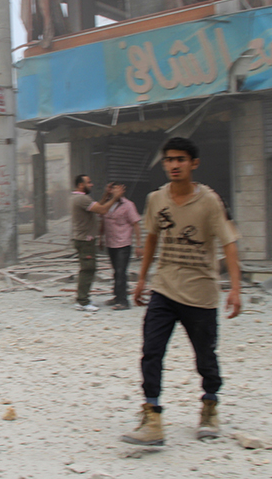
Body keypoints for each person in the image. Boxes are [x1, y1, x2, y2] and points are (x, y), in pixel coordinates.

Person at [122, 137, 241, 446]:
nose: (174, 165)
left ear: (193, 164)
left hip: (201, 293)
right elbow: (151, 239)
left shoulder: (211, 201)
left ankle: (210, 406)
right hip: (164, 288)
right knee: (151, 350)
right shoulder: (156, 199)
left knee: (205, 356)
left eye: (180, 159)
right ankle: (152, 416)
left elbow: (229, 243)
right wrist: (141, 279)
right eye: (169, 160)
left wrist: (236, 289)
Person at [71, 175, 125, 311]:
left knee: (87, 269)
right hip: (85, 240)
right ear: (81, 185)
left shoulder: (80, 198)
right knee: (88, 270)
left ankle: (83, 298)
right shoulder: (81, 198)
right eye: (89, 182)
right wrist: (114, 197)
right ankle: (82, 301)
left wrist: (106, 195)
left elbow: (98, 207)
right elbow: (102, 210)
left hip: (83, 239)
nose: (92, 184)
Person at [98, 183, 143, 310]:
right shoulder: (107, 204)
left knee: (121, 272)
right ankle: (117, 296)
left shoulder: (128, 205)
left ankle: (124, 301)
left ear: (123, 190)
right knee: (115, 272)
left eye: (118, 188)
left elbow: (136, 224)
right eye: (113, 188)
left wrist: (139, 244)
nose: (115, 191)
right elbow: (101, 218)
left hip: (123, 243)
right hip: (110, 243)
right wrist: (100, 239)